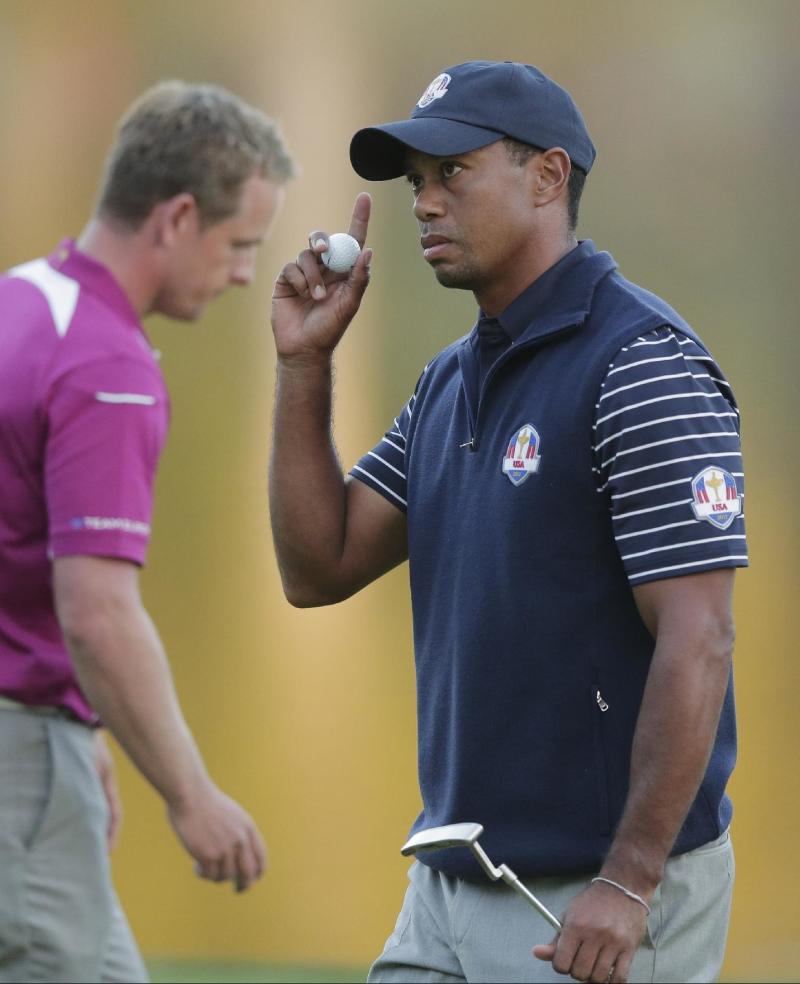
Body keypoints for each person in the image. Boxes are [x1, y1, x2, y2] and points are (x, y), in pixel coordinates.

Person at [269, 60, 746, 984]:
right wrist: (302, 369)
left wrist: (631, 880)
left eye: (454, 173)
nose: (424, 204)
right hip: (450, 881)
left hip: (586, 903)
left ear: (547, 177)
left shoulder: (640, 367)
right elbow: (316, 566)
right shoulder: (452, 381)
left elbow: (702, 637)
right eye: (416, 184)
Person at [0, 80, 295, 983]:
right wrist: (190, 794)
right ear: (177, 218)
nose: (248, 271)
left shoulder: (8, 302)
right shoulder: (108, 365)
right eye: (240, 243)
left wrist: (83, 724)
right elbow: (98, 612)